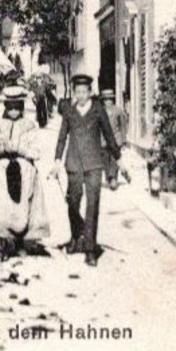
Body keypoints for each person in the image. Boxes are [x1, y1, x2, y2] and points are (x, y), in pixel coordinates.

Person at [50, 73, 129, 266]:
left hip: (94, 164)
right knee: (73, 203)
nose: (81, 95)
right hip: (74, 164)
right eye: (78, 91)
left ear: (90, 92)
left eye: (84, 91)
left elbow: (110, 137)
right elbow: (62, 137)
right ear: (75, 93)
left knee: (93, 206)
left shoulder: (98, 110)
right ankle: (76, 238)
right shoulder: (69, 110)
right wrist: (57, 161)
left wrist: (120, 161)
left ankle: (90, 249)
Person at [0, 85, 51, 259]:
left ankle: (20, 239)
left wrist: (23, 150)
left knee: (22, 205)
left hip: (24, 169)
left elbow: (37, 151)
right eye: (10, 107)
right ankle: (4, 238)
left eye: (17, 107)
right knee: (3, 204)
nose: (14, 111)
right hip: (3, 169)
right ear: (5, 107)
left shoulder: (30, 126)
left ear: (22, 107)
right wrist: (0, 149)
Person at [99, 88, 127, 190]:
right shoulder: (100, 112)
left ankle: (113, 178)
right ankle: (108, 177)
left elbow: (123, 125)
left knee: (115, 158)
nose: (108, 102)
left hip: (116, 138)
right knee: (105, 159)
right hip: (104, 140)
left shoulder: (118, 111)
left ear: (113, 100)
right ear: (103, 101)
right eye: (105, 100)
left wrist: (123, 139)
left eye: (110, 99)